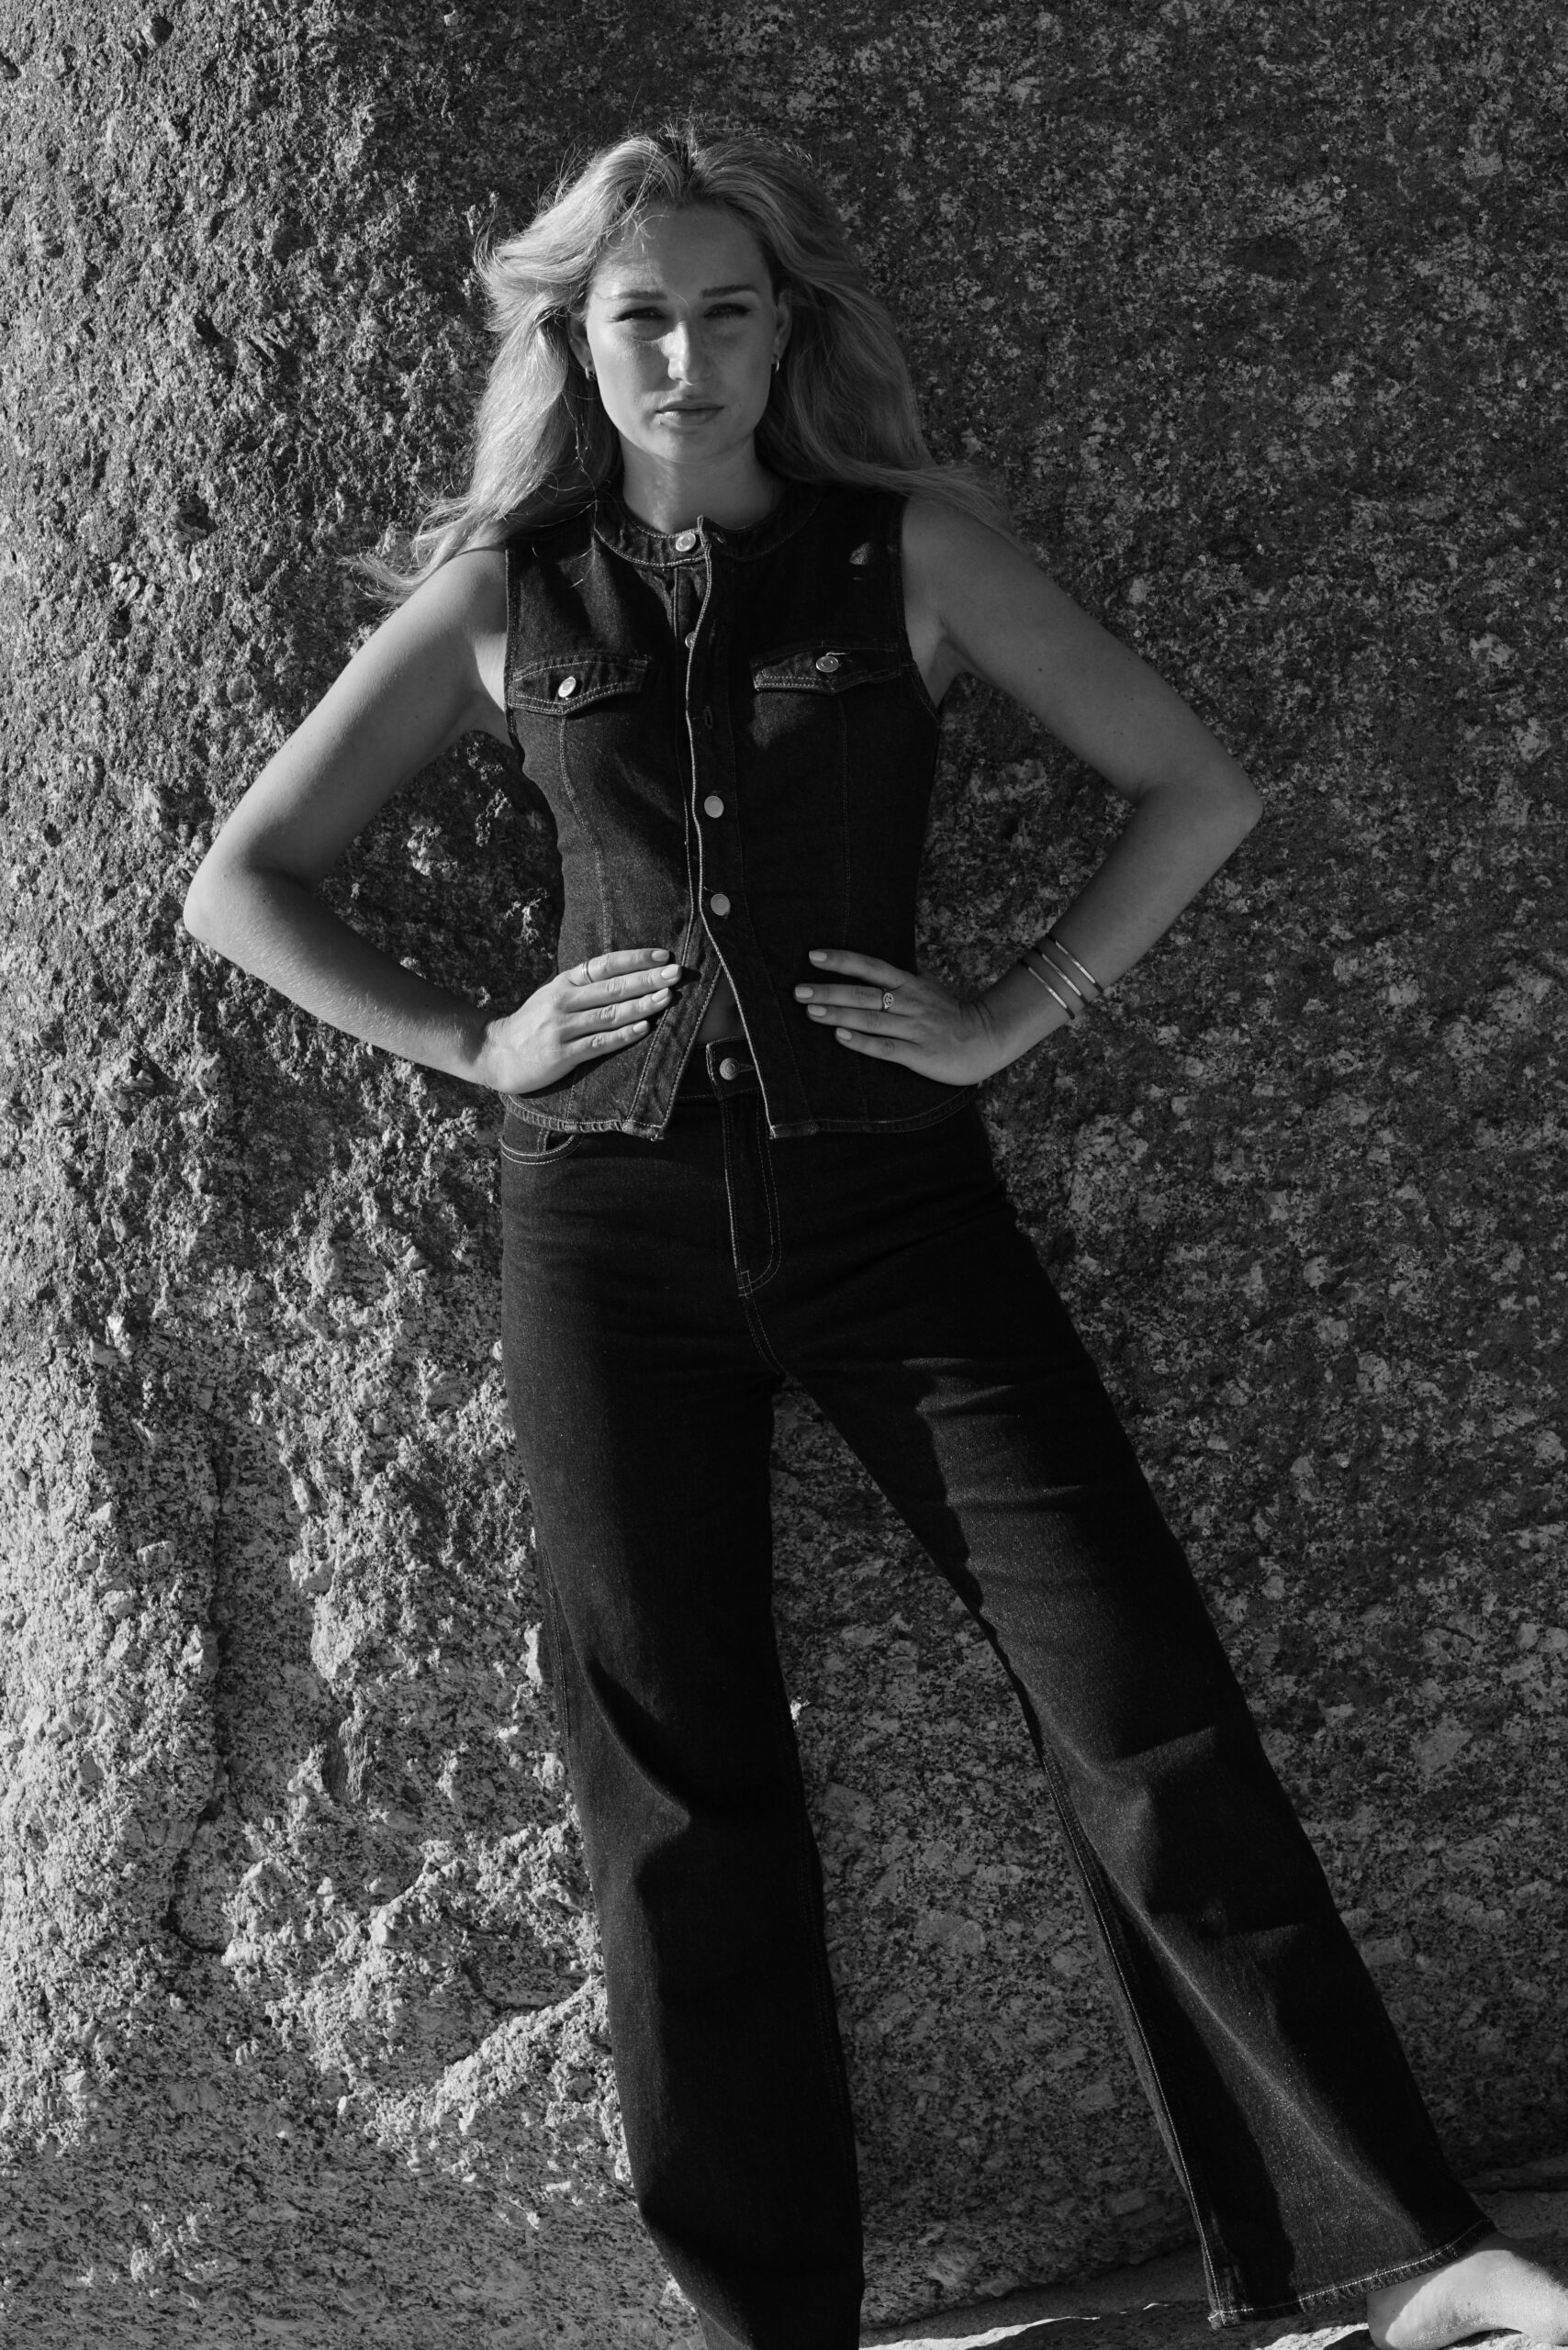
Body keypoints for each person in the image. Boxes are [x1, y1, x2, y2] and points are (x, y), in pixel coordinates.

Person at [182, 122, 1568, 2350]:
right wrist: (477, 1036)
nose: (686, 355)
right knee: (669, 1780)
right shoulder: (506, 598)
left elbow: (1194, 786)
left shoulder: (904, 553)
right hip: (604, 1227)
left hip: (891, 1204)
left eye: (726, 311)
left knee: (1134, 1698)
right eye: (641, 316)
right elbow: (241, 883)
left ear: (783, 328)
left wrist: (1011, 1013)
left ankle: (1407, 2251)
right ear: (572, 337)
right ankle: (770, 2325)